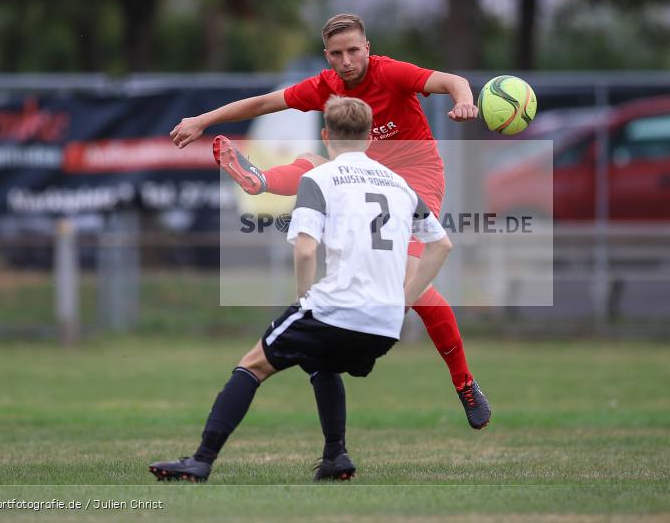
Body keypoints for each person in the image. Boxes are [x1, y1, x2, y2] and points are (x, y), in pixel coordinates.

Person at [170, 13, 490, 429]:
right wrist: (202, 120)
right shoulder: (325, 85)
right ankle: (261, 180)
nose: (347, 61)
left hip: (415, 179)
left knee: (414, 278)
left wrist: (464, 99)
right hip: (364, 174)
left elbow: (452, 82)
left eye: (354, 50)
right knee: (315, 165)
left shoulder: (390, 72)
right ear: (327, 56)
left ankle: (464, 383)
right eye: (337, 54)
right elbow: (262, 103)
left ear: (367, 48)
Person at [150, 97, 453, 482]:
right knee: (321, 361)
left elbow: (307, 248)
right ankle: (335, 457)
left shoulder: (319, 177)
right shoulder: (400, 185)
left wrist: (303, 298)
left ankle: (201, 461)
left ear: (326, 135)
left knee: (252, 365)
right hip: (384, 323)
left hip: (338, 306)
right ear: (368, 137)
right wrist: (403, 302)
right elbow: (441, 246)